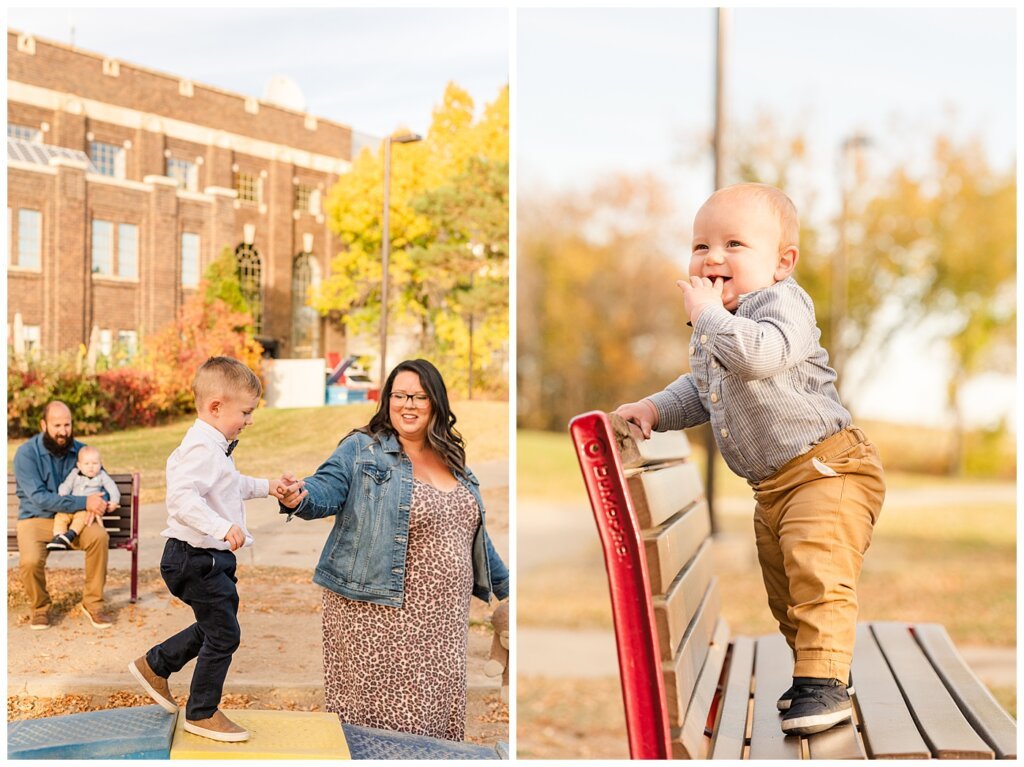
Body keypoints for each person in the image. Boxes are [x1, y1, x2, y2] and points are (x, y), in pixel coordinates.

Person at [615, 183, 885, 736]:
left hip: (828, 470)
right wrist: (654, 408)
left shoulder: (782, 305)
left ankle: (823, 681)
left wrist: (710, 317)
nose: (713, 257)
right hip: (775, 485)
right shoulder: (718, 324)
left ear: (782, 263)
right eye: (700, 245)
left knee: (817, 572)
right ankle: (824, 675)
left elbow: (761, 357)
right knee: (785, 590)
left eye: (734, 244)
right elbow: (702, 388)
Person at [278, 358, 510, 742]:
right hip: (379, 619)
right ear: (387, 400)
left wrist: (508, 591)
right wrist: (296, 497)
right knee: (385, 731)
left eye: (419, 396)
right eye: (400, 395)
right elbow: (325, 490)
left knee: (434, 727)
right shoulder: (361, 449)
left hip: (443, 627)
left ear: (435, 402)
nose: (409, 405)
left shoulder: (453, 458)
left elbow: (473, 536)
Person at [128, 356, 287, 743]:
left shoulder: (216, 448)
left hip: (209, 560)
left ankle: (155, 666)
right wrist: (221, 526)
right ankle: (202, 711)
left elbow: (229, 486)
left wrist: (269, 486)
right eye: (245, 412)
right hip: (192, 558)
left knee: (216, 625)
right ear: (216, 407)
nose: (249, 420)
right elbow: (182, 500)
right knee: (225, 633)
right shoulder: (200, 448)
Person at [13, 401, 113, 631]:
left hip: (76, 519)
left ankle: (93, 603)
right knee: (29, 561)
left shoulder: (82, 450)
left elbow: (102, 484)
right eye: (57, 425)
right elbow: (39, 498)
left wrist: (101, 501)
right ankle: (40, 608)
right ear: (43, 424)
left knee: (98, 537)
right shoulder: (26, 454)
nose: (63, 431)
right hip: (37, 518)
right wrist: (84, 501)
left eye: (67, 425)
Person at [47, 445, 121, 551]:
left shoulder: (101, 476)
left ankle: (70, 534)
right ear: (79, 465)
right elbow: (67, 485)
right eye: (87, 464)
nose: (91, 466)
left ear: (100, 464)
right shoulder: (74, 474)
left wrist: (114, 501)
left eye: (95, 463)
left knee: (81, 519)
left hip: (86, 509)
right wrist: (63, 492)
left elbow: (112, 488)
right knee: (60, 517)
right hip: (71, 506)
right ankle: (59, 537)